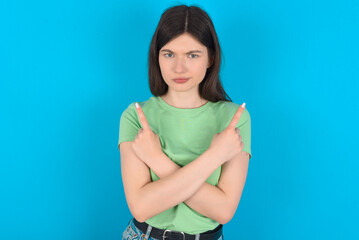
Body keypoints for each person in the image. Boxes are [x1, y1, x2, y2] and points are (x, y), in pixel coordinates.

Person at [118, 4, 252, 240]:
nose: (179, 67)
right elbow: (141, 208)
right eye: (169, 54)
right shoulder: (136, 116)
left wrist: (157, 161)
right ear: (156, 56)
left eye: (192, 55)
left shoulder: (234, 119)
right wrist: (215, 156)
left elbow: (223, 211)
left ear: (210, 58)